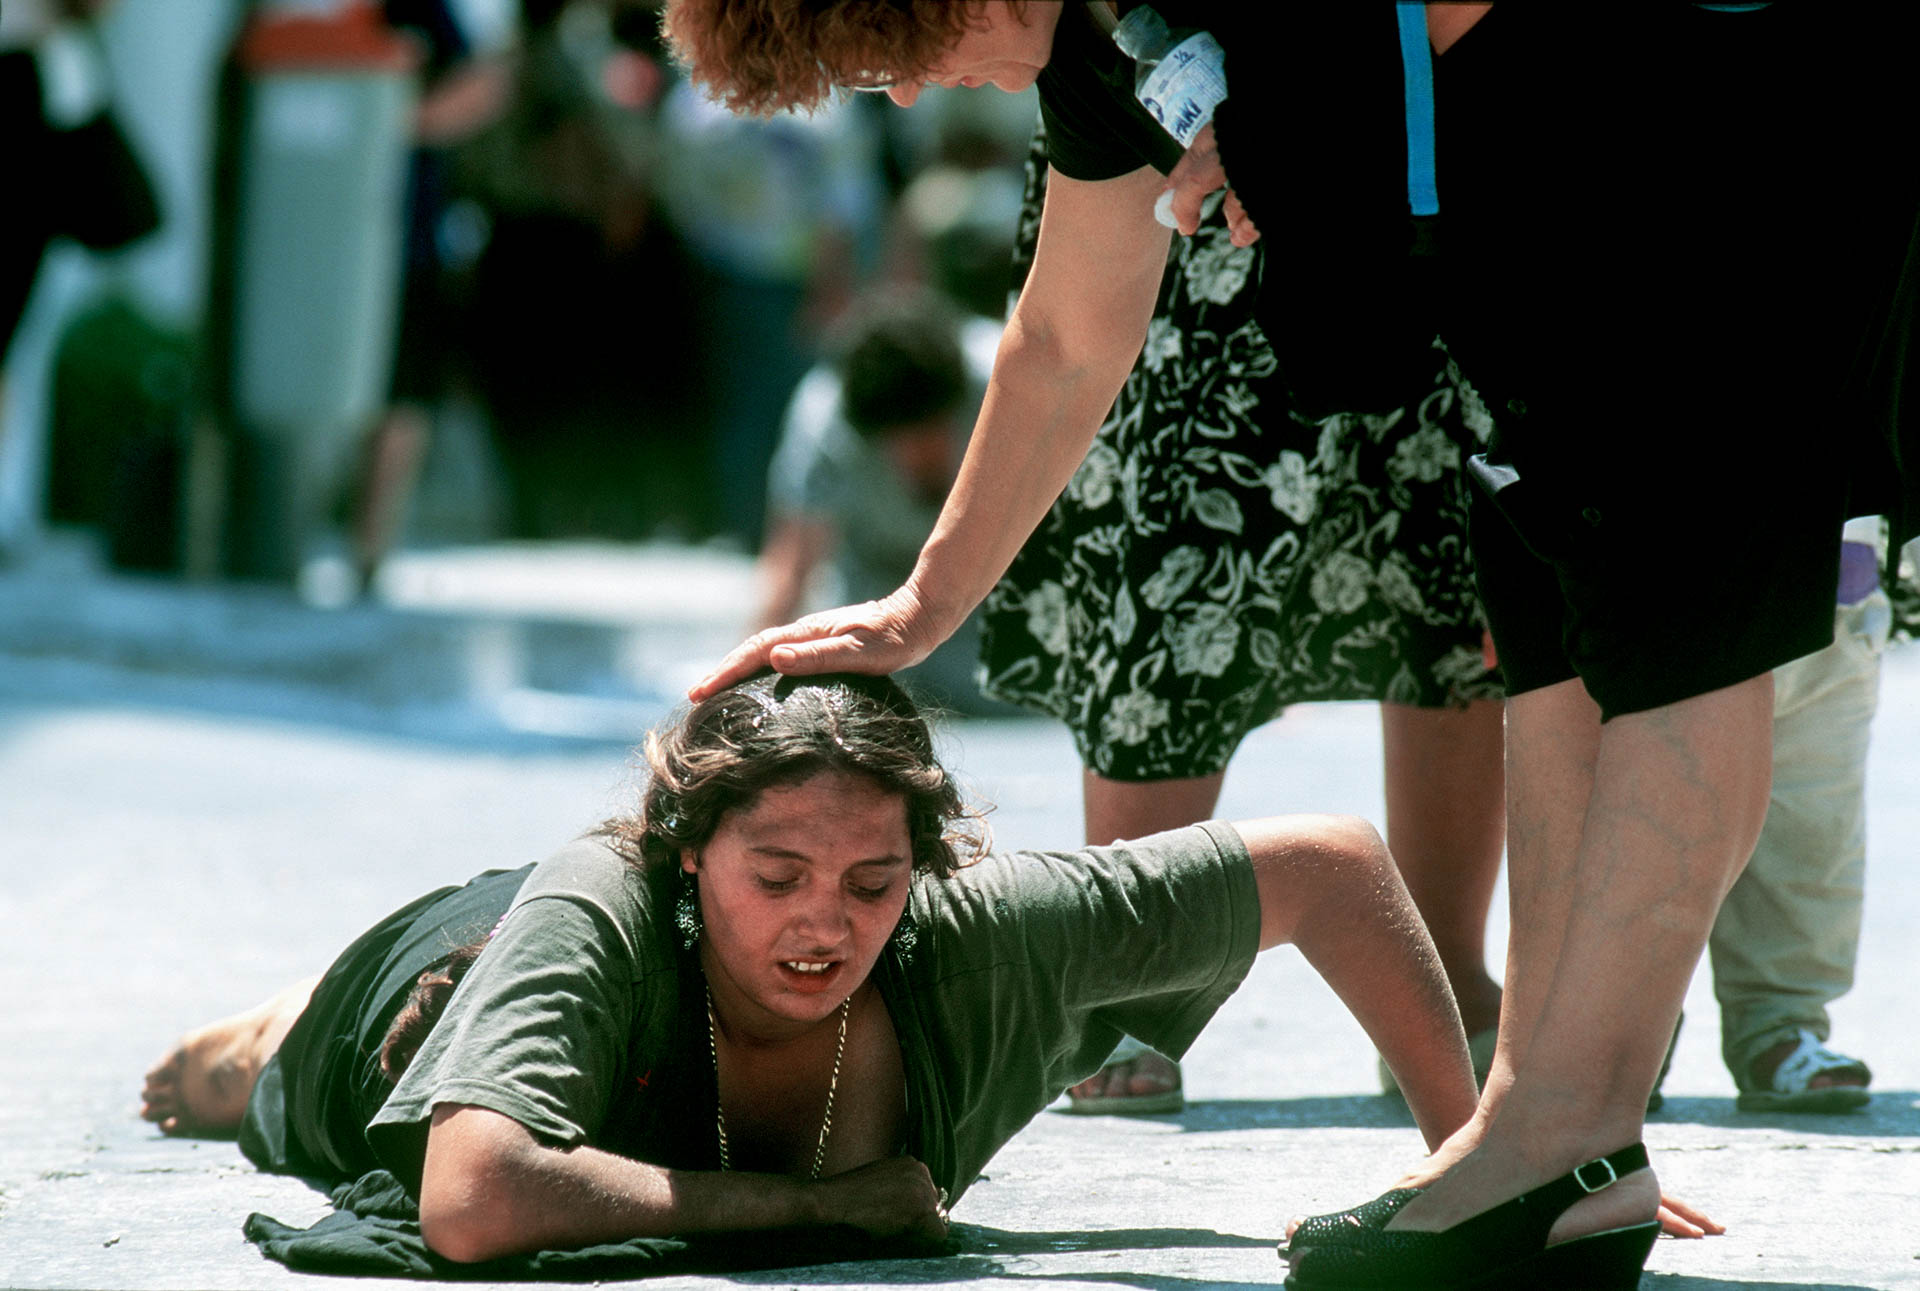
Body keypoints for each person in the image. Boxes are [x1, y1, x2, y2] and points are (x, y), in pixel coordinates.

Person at [669, 5, 1906, 1286]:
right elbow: (1066, 337)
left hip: (1686, 145)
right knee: (1556, 648)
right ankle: (1538, 1128)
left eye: (893, 63)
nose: (917, 103)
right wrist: (922, 605)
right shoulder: (1100, 47)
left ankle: (1569, 1139)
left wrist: (1309, 122)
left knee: (1675, 626)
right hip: (1519, 230)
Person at [142, 670, 1481, 1262]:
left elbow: (1330, 865)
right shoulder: (608, 886)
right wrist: (816, 1207)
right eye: (775, 876)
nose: (824, 923)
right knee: (229, 1075)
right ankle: (277, 1013)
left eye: (868, 881)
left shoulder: (973, 929)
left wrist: (1472, 1161)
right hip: (440, 973)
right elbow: (476, 1198)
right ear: (688, 853)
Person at [983, 119, 1505, 1114]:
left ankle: (1442, 976)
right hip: (1178, 184)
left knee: (1449, 571)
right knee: (1179, 570)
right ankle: (1126, 971)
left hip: (1405, 146)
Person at [754, 290, 1005, 712]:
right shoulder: (824, 423)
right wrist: (755, 686)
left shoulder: (1008, 381)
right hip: (883, 606)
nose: (914, 460)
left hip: (998, 600)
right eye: (898, 443)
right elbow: (790, 566)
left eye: (929, 435)